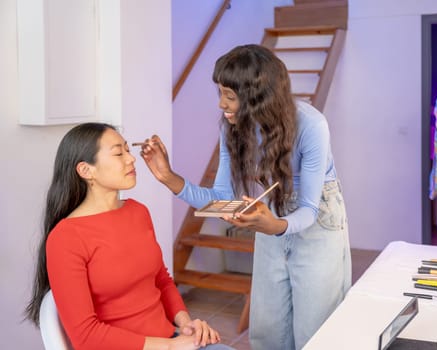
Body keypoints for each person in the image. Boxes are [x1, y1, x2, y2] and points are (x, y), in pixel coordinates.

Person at [138, 44, 351, 350]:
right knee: (268, 332)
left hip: (317, 218)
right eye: (220, 92)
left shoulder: (312, 125)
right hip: (272, 218)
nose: (222, 103)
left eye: (230, 95)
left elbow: (307, 208)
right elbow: (222, 198)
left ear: (258, 96)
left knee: (315, 334)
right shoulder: (233, 128)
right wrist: (168, 178)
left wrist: (274, 226)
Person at [25, 123, 234, 350]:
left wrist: (186, 325)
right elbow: (85, 336)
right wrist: (170, 346)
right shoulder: (65, 238)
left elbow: (161, 280)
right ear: (86, 170)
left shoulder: (138, 212)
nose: (131, 159)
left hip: (169, 339)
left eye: (128, 150)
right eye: (118, 153)